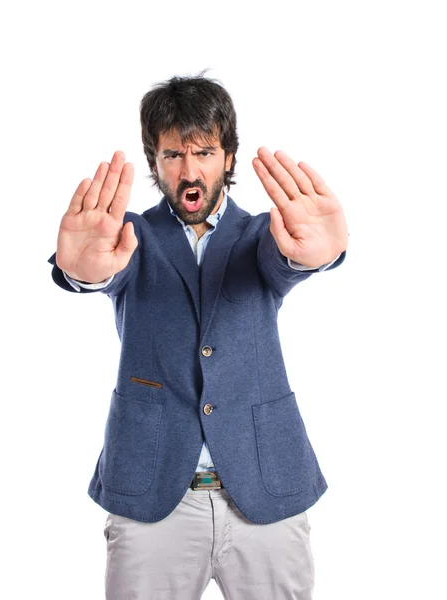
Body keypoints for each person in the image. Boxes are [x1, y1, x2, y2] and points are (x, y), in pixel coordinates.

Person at [48, 73, 348, 600]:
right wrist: (81, 273)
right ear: (155, 162)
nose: (190, 169)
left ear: (228, 157)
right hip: (153, 496)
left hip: (265, 490)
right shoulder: (129, 237)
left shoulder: (262, 234)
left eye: (204, 151)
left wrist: (320, 256)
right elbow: (102, 270)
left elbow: (288, 262)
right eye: (171, 155)